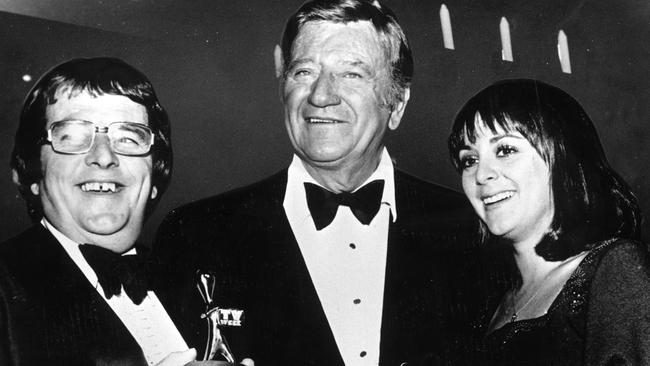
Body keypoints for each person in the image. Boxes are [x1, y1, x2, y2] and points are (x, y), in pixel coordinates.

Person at [153, 0, 488, 365]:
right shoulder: (195, 234)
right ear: (283, 89)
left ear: (397, 104)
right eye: (304, 72)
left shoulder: (471, 229)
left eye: (352, 74)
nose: (321, 95)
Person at [1, 57, 197, 366]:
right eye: (72, 137)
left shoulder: (191, 279)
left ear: (155, 176)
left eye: (128, 138)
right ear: (33, 173)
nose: (104, 157)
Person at [448, 78, 650, 365]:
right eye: (469, 159)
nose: (481, 175)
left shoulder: (615, 269)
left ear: (562, 156)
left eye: (505, 150)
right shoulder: (491, 303)